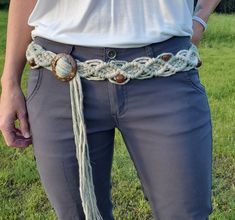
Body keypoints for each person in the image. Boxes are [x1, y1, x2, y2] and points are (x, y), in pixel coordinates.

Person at [0, 0, 221, 219]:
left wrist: (200, 17)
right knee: (78, 214)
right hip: (62, 77)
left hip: (165, 72)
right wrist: (10, 81)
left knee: (186, 211)